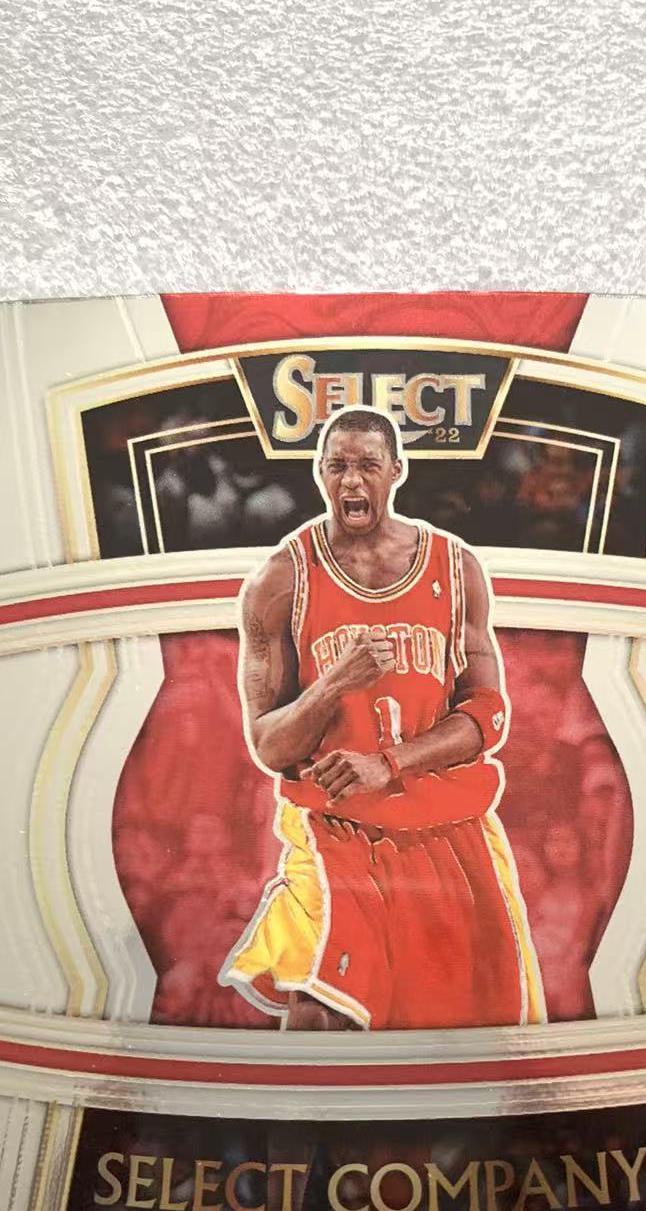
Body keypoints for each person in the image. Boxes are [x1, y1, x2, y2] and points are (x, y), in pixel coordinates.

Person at [220, 405, 544, 1032]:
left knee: (484, 1031)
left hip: (447, 822)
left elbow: (489, 715)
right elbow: (268, 745)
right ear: (318, 473)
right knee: (320, 1005)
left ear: (397, 470)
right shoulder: (280, 580)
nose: (351, 481)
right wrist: (334, 683)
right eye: (337, 466)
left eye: (367, 465)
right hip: (334, 829)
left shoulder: (455, 568)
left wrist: (389, 763)